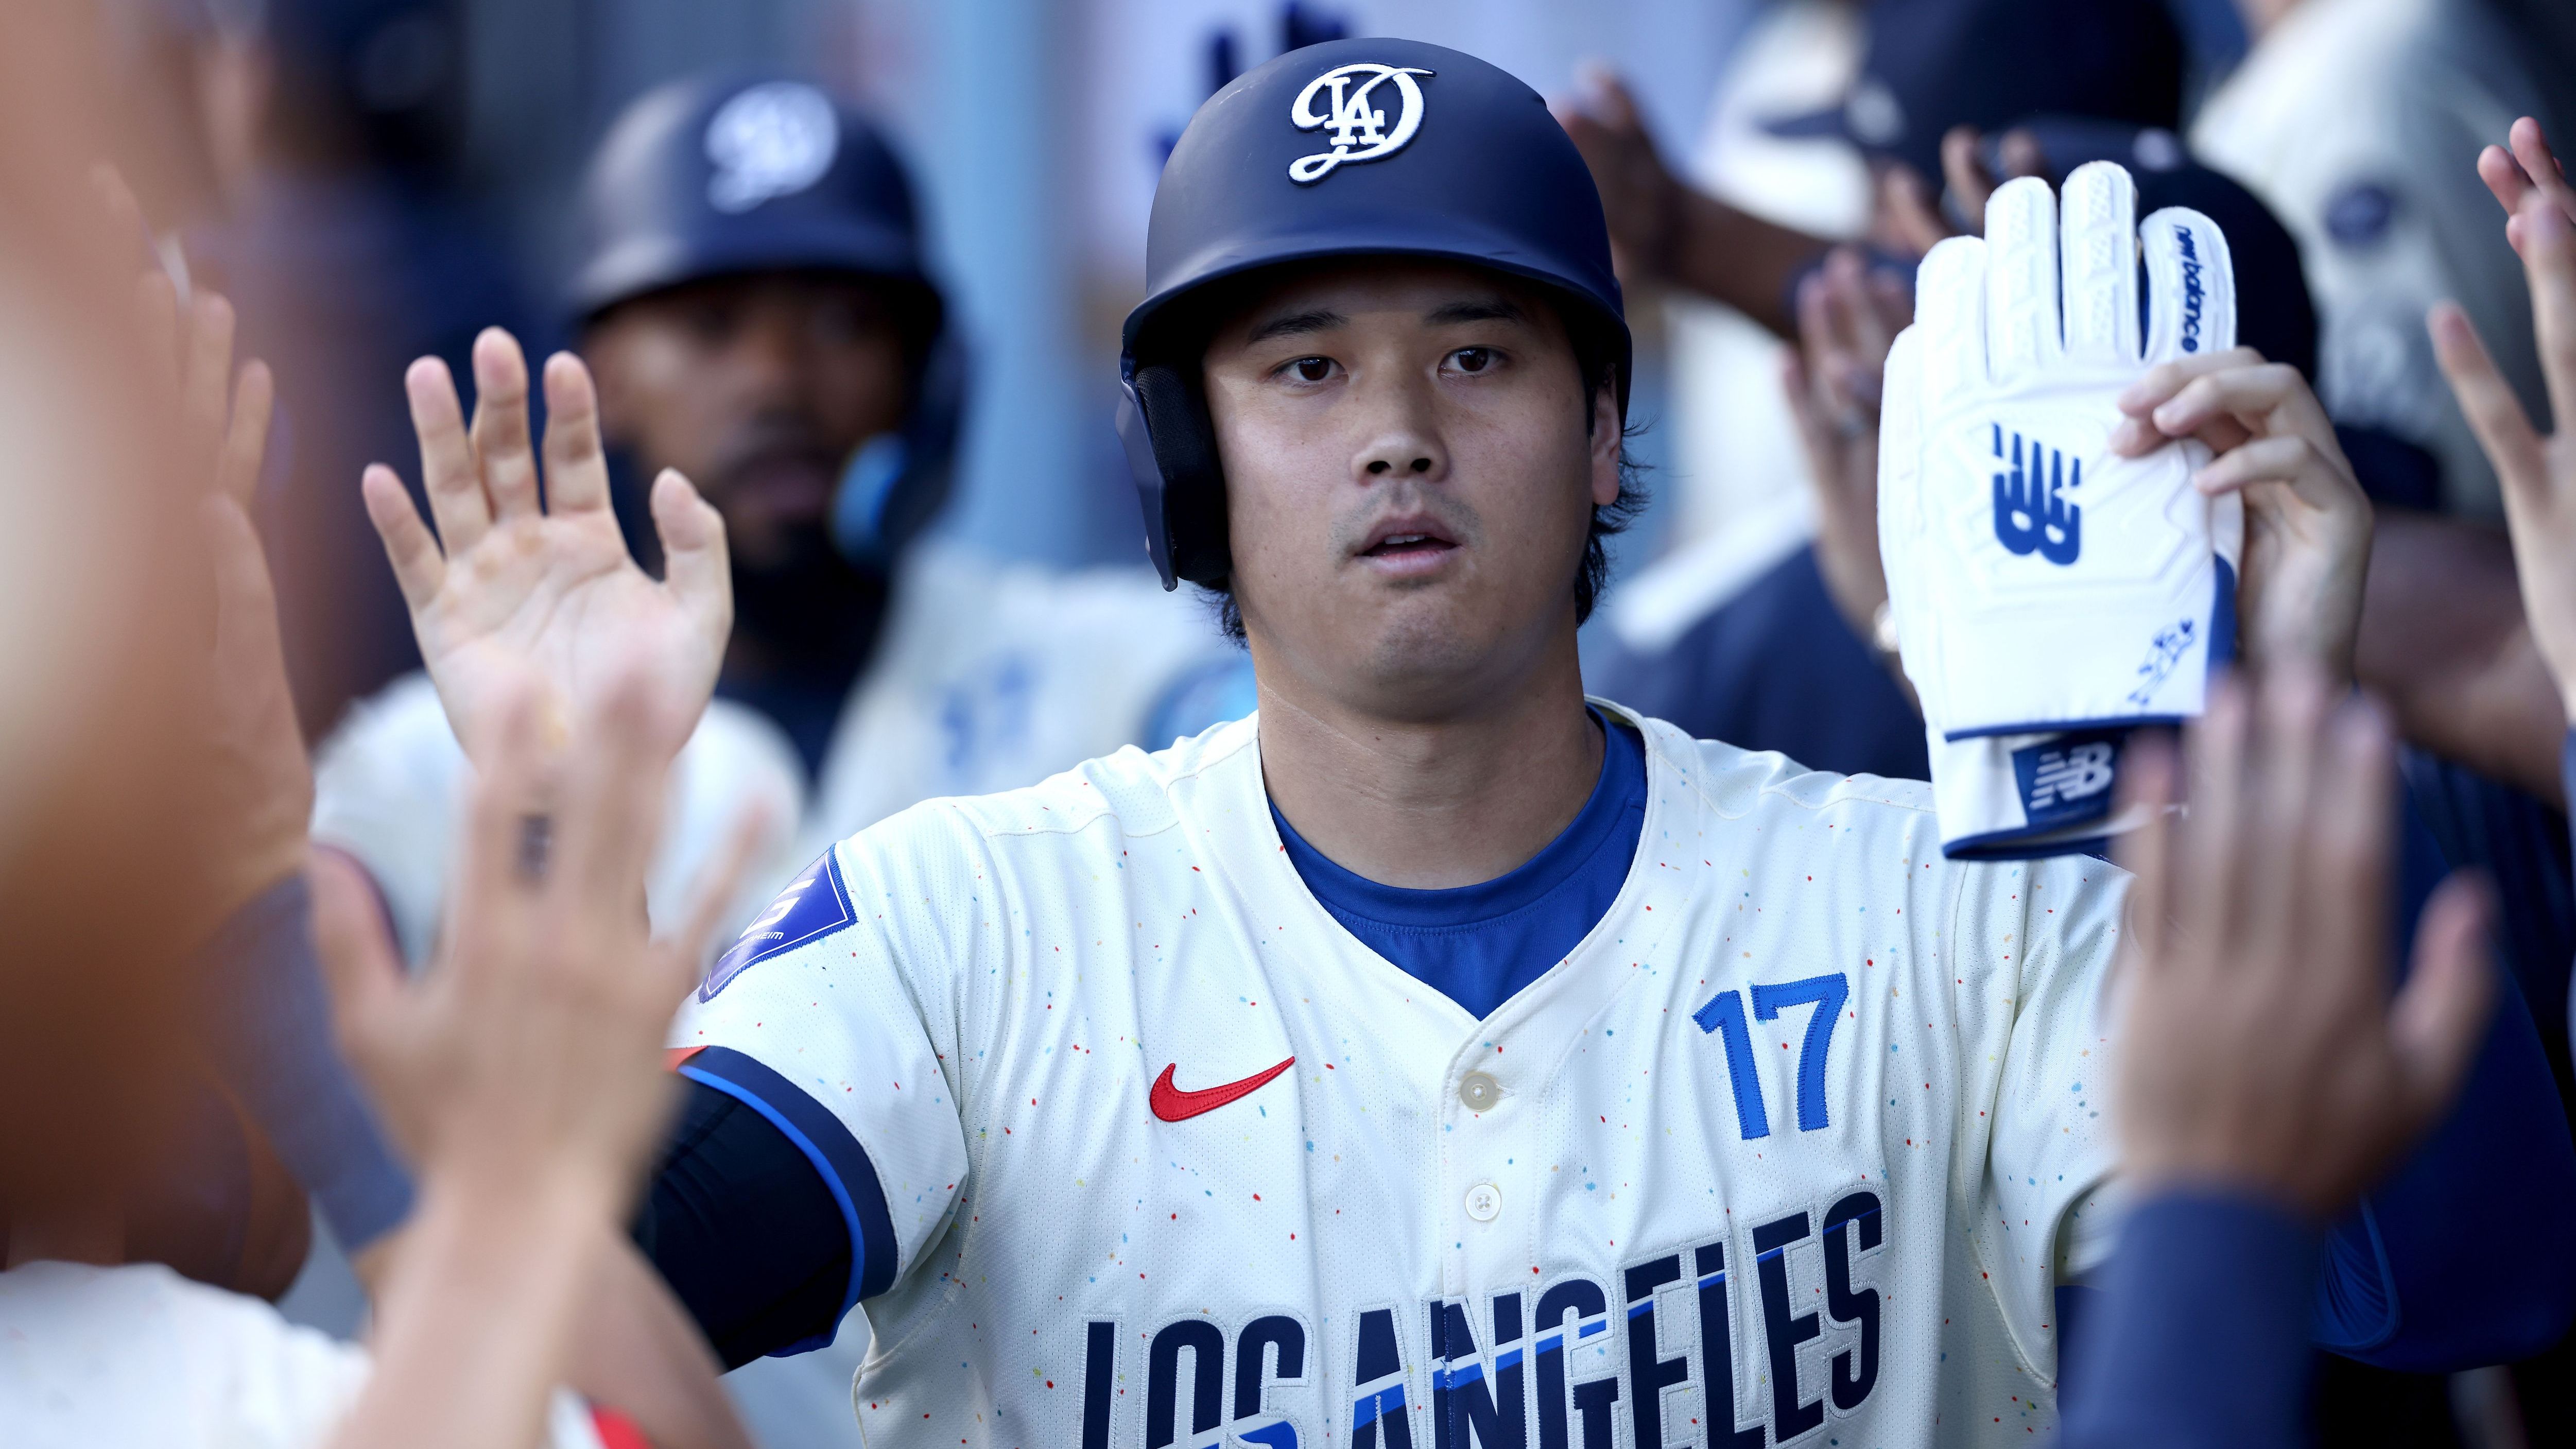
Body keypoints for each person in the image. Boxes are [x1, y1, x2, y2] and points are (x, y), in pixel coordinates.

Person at [356, 39, 2573, 1444]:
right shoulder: (973, 927)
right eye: (1302, 369)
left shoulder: (1930, 908)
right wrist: (561, 841)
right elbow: (568, 1287)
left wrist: (2288, 700)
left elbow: (2460, 1283)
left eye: (1484, 359)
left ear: (1611, 433)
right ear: (1189, 467)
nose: (1401, 433)